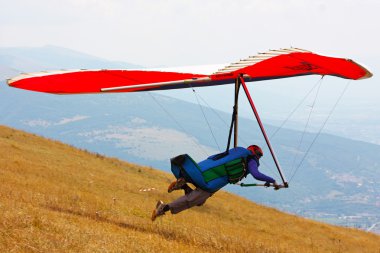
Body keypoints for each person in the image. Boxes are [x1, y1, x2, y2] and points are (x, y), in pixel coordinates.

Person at [151, 145, 280, 221]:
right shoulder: (250, 160)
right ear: (256, 154)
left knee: (199, 202)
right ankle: (162, 208)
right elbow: (256, 174)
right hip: (213, 183)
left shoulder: (237, 153)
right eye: (259, 156)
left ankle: (183, 184)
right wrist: (272, 181)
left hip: (205, 173)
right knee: (192, 200)